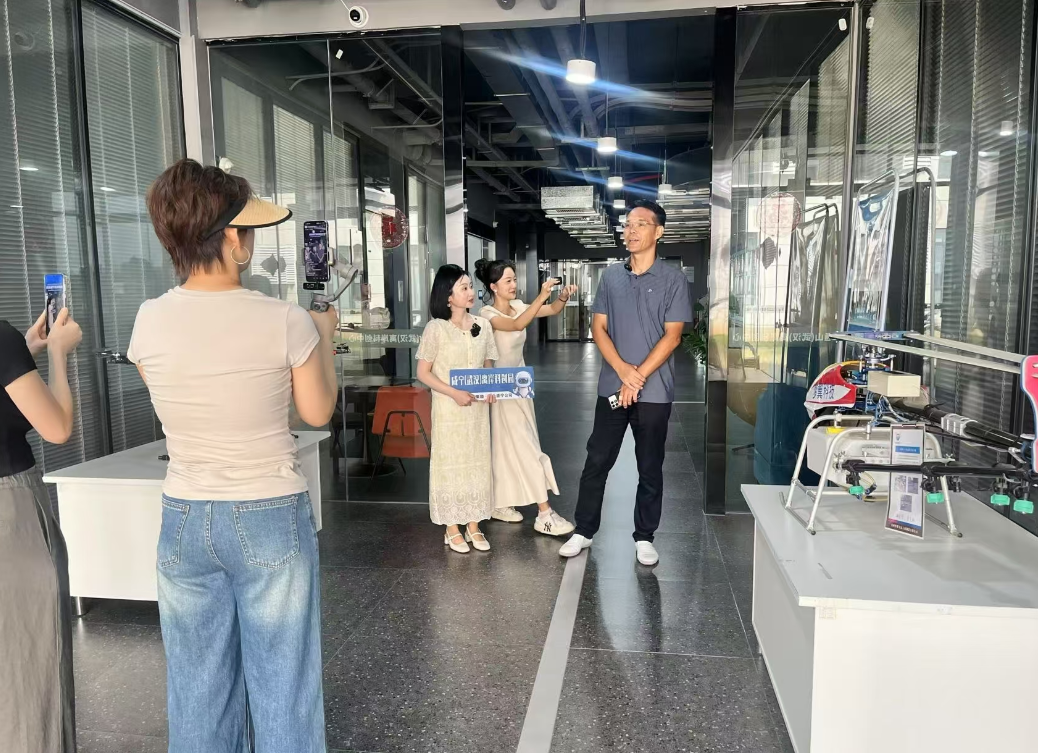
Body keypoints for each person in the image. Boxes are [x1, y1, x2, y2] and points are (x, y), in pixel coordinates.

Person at [129, 159, 338, 752]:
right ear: (230, 239)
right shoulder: (285, 320)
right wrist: (323, 337)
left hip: (184, 514)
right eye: (246, 230)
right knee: (283, 684)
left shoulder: (148, 320)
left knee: (196, 687)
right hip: (268, 508)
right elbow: (317, 411)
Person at [559, 199, 692, 566]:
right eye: (628, 224)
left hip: (654, 391)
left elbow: (673, 336)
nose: (631, 231)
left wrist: (638, 377)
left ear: (658, 232)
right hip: (613, 387)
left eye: (640, 224)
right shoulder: (611, 277)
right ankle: (584, 530)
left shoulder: (673, 280)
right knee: (597, 459)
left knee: (649, 465)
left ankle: (644, 536)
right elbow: (598, 328)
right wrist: (623, 372)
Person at [1, 306, 82, 753]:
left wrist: (26, 352)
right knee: (28, 667)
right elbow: (58, 427)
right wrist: (57, 355)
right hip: (9, 517)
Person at [475, 259, 577, 536]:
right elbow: (516, 324)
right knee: (525, 445)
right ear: (493, 286)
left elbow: (552, 310)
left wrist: (561, 297)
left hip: (519, 385)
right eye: (507, 281)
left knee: (512, 444)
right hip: (500, 387)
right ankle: (544, 513)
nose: (513, 285)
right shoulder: (486, 314)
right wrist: (542, 295)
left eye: (514, 279)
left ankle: (500, 502)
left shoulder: (519, 305)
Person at [416, 264, 499, 554]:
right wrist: (453, 393)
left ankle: (473, 524)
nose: (470, 292)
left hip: (476, 411)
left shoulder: (483, 326)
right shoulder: (436, 328)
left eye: (470, 286)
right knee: (450, 464)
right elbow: (423, 373)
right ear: (448, 296)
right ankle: (451, 527)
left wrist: (491, 387)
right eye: (463, 288)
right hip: (449, 409)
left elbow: (488, 365)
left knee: (477, 462)